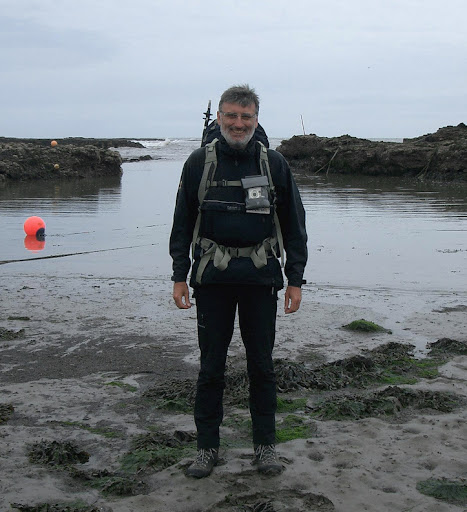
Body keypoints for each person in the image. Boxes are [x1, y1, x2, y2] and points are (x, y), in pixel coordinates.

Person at [169, 84, 308, 478]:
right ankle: (206, 450)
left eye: (246, 117)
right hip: (211, 279)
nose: (238, 123)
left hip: (260, 279)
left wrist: (295, 280)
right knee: (210, 367)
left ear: (256, 119)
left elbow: (294, 226)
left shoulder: (274, 164)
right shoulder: (198, 163)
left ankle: (265, 448)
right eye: (231, 115)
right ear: (219, 118)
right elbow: (182, 223)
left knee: (261, 367)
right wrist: (179, 276)